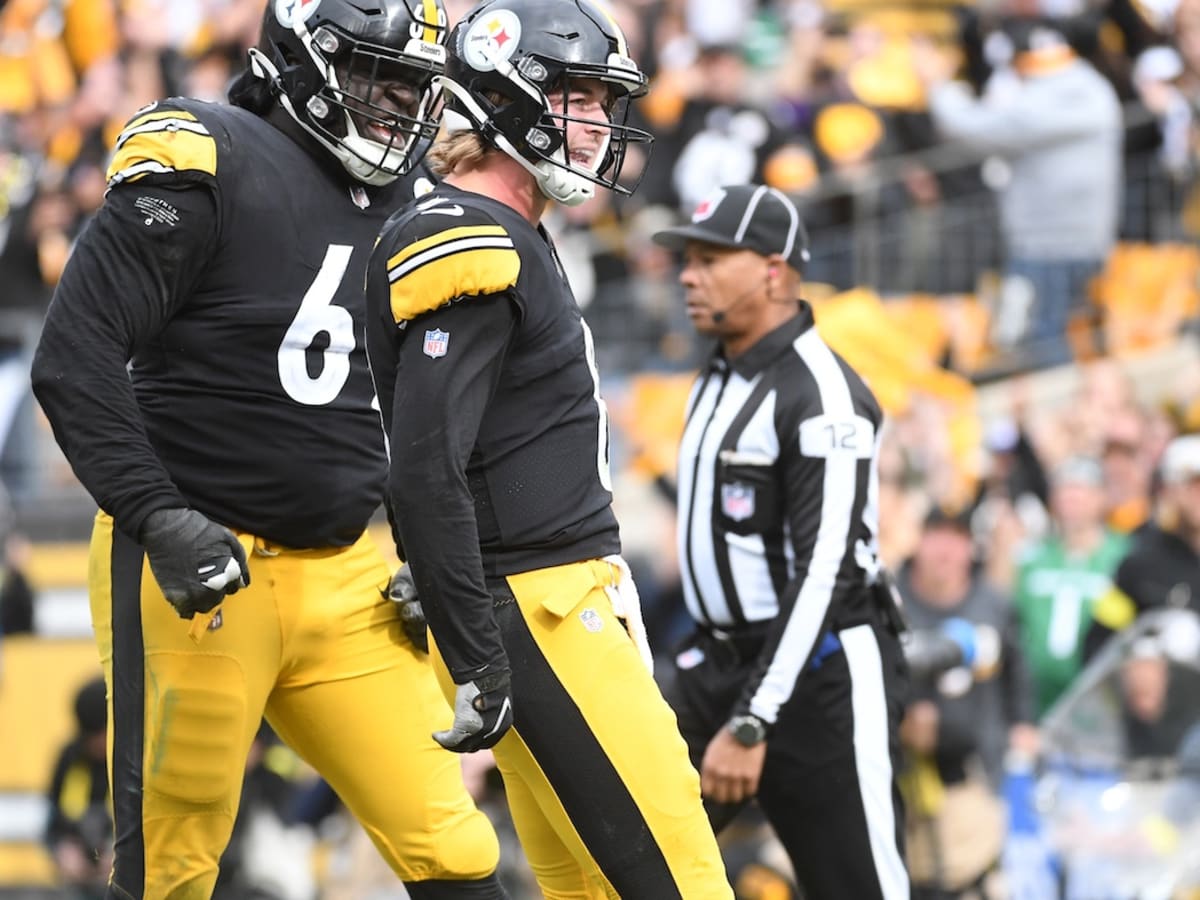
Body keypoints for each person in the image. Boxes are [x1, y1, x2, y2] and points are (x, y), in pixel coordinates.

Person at [29, 1, 510, 897]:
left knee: (454, 844)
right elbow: (74, 351)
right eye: (383, 78)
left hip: (344, 569)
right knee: (173, 865)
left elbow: (427, 409)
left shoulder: (412, 202)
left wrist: (431, 555)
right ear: (304, 59)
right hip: (202, 567)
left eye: (416, 84)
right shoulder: (209, 153)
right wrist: (157, 516)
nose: (401, 105)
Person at [364, 0, 733, 896]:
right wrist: (475, 642)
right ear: (506, 96)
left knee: (591, 888)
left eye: (603, 101)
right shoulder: (473, 235)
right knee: (680, 882)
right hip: (541, 606)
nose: (599, 122)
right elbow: (423, 467)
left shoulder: (514, 232)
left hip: (543, 600)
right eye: (580, 96)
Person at [650, 182, 910, 900]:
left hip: (816, 675)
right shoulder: (719, 371)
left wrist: (754, 717)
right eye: (686, 260)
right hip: (720, 665)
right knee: (637, 860)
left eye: (708, 260)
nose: (687, 276)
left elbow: (825, 569)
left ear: (773, 270)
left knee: (858, 887)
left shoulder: (821, 393)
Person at [46, 676, 113, 900]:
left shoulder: (133, 762)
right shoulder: (70, 759)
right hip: (77, 883)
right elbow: (51, 824)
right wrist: (62, 850)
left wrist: (124, 856)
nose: (97, 742)